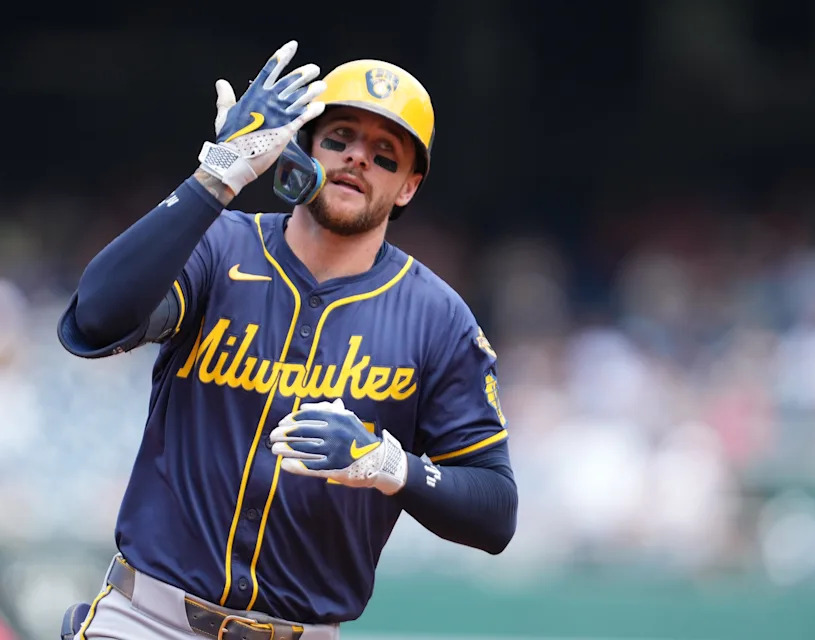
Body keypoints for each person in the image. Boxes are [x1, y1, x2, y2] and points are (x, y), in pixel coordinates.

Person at [57, 40, 518, 640]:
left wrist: (390, 464)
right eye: (340, 138)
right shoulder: (217, 247)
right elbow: (95, 319)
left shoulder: (437, 318)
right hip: (147, 620)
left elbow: (494, 510)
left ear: (407, 187)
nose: (357, 158)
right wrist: (219, 173)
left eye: (385, 155)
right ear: (301, 148)